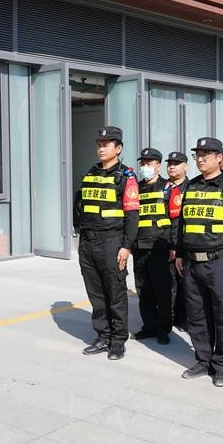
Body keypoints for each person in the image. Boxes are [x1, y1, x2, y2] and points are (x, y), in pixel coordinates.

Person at [176, 138, 223, 386]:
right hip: (191, 262)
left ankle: (221, 365)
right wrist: (179, 254)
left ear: (221, 158)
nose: (200, 159)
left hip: (218, 262)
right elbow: (183, 223)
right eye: (198, 154)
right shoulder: (191, 186)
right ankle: (203, 360)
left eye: (206, 154)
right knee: (196, 314)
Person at [75, 126, 139, 361]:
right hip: (88, 241)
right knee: (96, 293)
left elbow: (132, 215)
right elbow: (79, 203)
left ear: (118, 148)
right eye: (99, 144)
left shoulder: (126, 176)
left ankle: (118, 340)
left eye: (106, 144)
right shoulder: (90, 173)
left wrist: (126, 246)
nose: (101, 148)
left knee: (115, 292)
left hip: (112, 241)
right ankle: (103, 335)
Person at [132, 147, 173, 345]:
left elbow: (176, 220)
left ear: (158, 165)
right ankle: (148, 326)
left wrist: (174, 246)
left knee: (162, 290)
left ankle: (163, 329)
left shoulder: (168, 187)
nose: (145, 167)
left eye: (149, 163)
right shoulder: (136, 188)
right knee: (143, 290)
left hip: (160, 247)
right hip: (139, 246)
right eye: (143, 163)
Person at [164, 152, 190, 330]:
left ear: (185, 166)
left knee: (184, 282)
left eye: (176, 163)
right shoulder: (162, 186)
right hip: (162, 241)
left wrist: (177, 245)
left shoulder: (191, 187)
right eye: (170, 164)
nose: (172, 167)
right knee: (168, 282)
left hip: (183, 242)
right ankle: (169, 316)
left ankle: (183, 318)